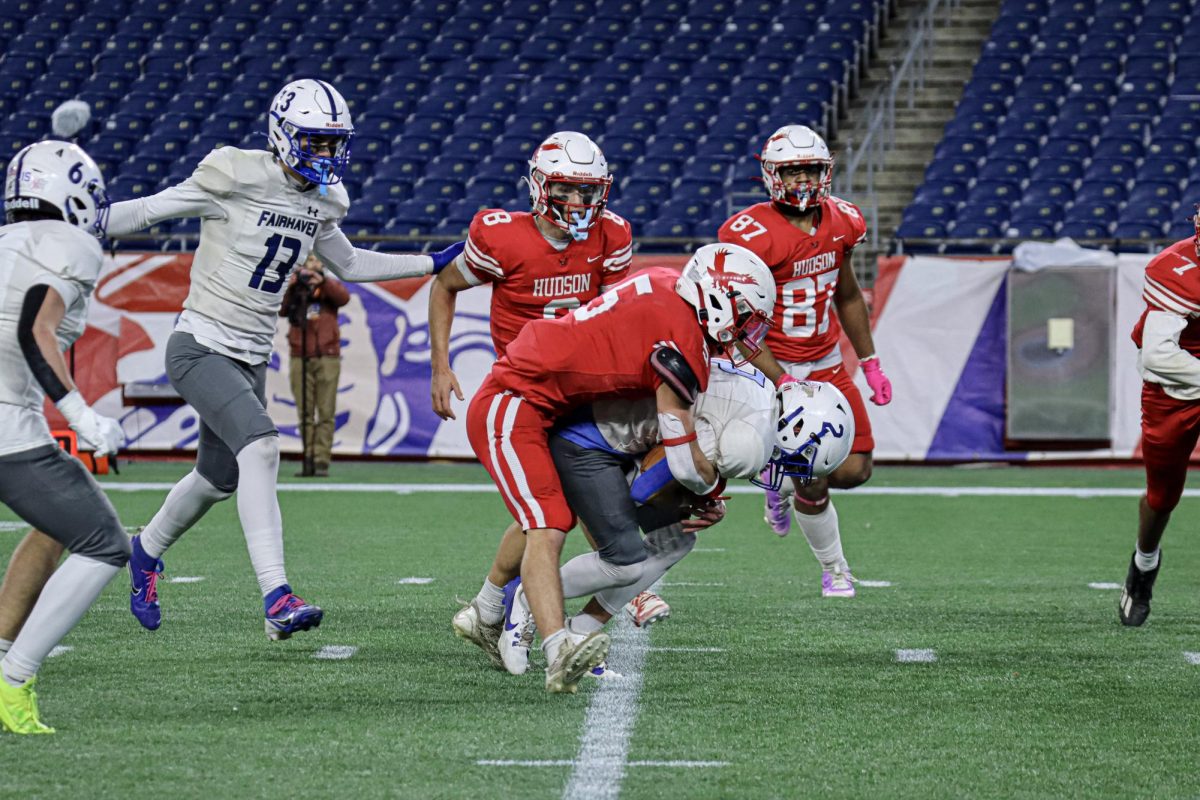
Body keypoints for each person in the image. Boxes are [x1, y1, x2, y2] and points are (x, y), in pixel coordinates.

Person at [109, 79, 463, 640]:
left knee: (215, 478)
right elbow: (152, 210)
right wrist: (79, 222)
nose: (326, 154)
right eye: (315, 142)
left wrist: (428, 262)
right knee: (263, 444)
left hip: (249, 356)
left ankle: (145, 551)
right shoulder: (234, 173)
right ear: (283, 134)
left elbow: (348, 264)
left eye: (333, 143)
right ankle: (277, 594)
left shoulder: (324, 200)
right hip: (200, 343)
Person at [462, 243, 775, 693]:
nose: (748, 333)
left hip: (560, 406)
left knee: (559, 515)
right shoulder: (686, 345)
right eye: (745, 316)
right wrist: (705, 492)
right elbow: (681, 460)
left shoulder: (671, 282)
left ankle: (495, 613)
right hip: (521, 398)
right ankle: (553, 644)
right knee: (549, 523)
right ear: (719, 296)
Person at [499, 373, 856, 679]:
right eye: (803, 454)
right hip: (591, 442)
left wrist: (700, 496)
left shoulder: (760, 400)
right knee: (622, 562)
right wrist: (705, 492)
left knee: (677, 540)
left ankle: (581, 632)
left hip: (619, 437)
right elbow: (645, 486)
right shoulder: (749, 439)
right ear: (795, 425)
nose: (794, 467)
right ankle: (531, 597)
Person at [718, 124, 893, 598]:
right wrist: (781, 381)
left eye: (811, 170)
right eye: (793, 172)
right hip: (766, 365)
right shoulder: (748, 234)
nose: (803, 182)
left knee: (855, 470)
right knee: (813, 478)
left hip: (825, 362)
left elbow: (848, 293)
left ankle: (783, 475)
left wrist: (871, 361)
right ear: (773, 175)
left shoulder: (844, 221)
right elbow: (735, 324)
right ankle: (835, 568)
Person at [0, 141, 126, 733]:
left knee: (56, 527)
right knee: (105, 542)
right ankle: (15, 678)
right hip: (6, 427)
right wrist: (81, 414)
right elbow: (35, 328)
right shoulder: (71, 243)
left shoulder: (7, 242)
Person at [1120, 212, 1200, 625]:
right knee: (1162, 494)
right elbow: (1157, 356)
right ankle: (1144, 564)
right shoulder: (1173, 267)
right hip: (1178, 385)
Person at [280, 253, 349, 478]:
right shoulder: (297, 289)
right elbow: (281, 310)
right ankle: (307, 458)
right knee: (305, 413)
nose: (314, 265)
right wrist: (292, 286)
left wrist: (324, 282)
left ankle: (321, 461)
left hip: (327, 356)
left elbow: (343, 298)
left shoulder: (329, 286)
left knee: (326, 412)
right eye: (310, 261)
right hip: (300, 356)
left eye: (318, 261)